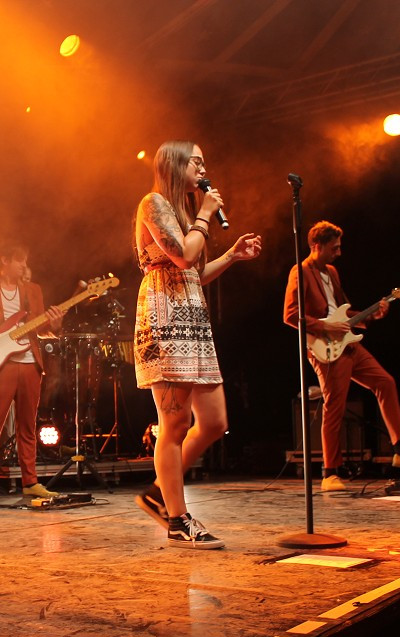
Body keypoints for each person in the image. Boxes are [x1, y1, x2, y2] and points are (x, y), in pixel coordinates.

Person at [132, 140, 262, 549]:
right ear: (174, 165)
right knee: (174, 424)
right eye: (197, 162)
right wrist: (206, 213)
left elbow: (196, 273)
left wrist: (232, 257)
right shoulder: (153, 203)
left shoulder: (185, 212)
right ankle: (178, 519)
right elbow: (184, 257)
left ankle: (158, 491)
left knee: (215, 421)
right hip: (165, 317)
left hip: (192, 318)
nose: (204, 168)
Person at [283, 220, 400, 492]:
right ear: (316, 246)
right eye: (334, 248)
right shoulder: (300, 271)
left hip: (348, 343)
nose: (339, 253)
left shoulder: (332, 272)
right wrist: (325, 325)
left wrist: (374, 312)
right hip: (325, 347)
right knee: (335, 406)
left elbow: (344, 313)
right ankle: (330, 472)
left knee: (385, 382)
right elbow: (291, 316)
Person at [0, 244, 64, 502]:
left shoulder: (33, 291)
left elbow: (41, 329)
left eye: (25, 261)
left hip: (30, 362)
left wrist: (54, 323)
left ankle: (30, 482)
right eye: (19, 261)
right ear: (4, 261)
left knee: (27, 426)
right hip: (2, 363)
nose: (24, 266)